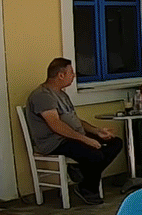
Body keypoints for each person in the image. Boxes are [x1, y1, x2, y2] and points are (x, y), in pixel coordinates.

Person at [25, 57, 124, 205]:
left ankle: (82, 173)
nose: (74, 76)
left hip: (72, 136)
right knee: (95, 154)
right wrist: (85, 140)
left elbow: (76, 121)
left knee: (115, 143)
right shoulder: (42, 95)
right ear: (61, 75)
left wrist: (97, 132)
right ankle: (87, 188)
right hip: (55, 141)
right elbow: (56, 125)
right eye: (71, 72)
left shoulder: (62, 94)